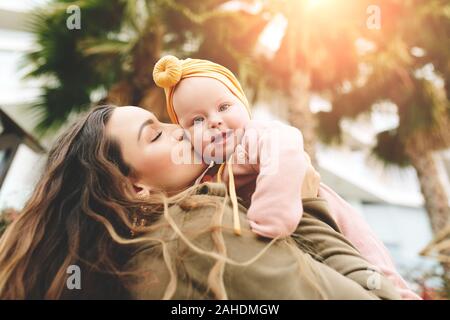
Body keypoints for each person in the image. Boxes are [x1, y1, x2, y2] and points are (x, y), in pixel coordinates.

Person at [0, 105, 400, 299]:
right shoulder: (199, 234)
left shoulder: (129, 262)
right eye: (154, 135)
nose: (179, 130)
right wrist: (306, 200)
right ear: (132, 188)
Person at [152, 55, 420, 299]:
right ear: (185, 134)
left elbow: (285, 152)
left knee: (376, 269)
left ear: (243, 105)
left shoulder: (257, 135)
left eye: (223, 106)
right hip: (301, 257)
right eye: (196, 121)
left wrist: (271, 214)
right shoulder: (208, 174)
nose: (213, 121)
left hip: (324, 219)